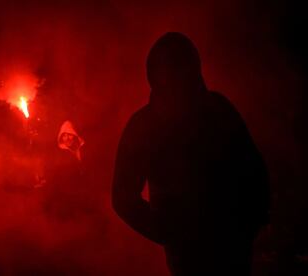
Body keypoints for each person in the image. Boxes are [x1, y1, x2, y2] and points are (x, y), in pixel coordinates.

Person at [112, 32, 270, 275]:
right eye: (170, 72)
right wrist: (168, 231)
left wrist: (251, 220)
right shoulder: (145, 127)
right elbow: (123, 197)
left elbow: (253, 169)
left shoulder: (217, 110)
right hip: (190, 257)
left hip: (232, 248)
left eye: (181, 69)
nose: (177, 79)